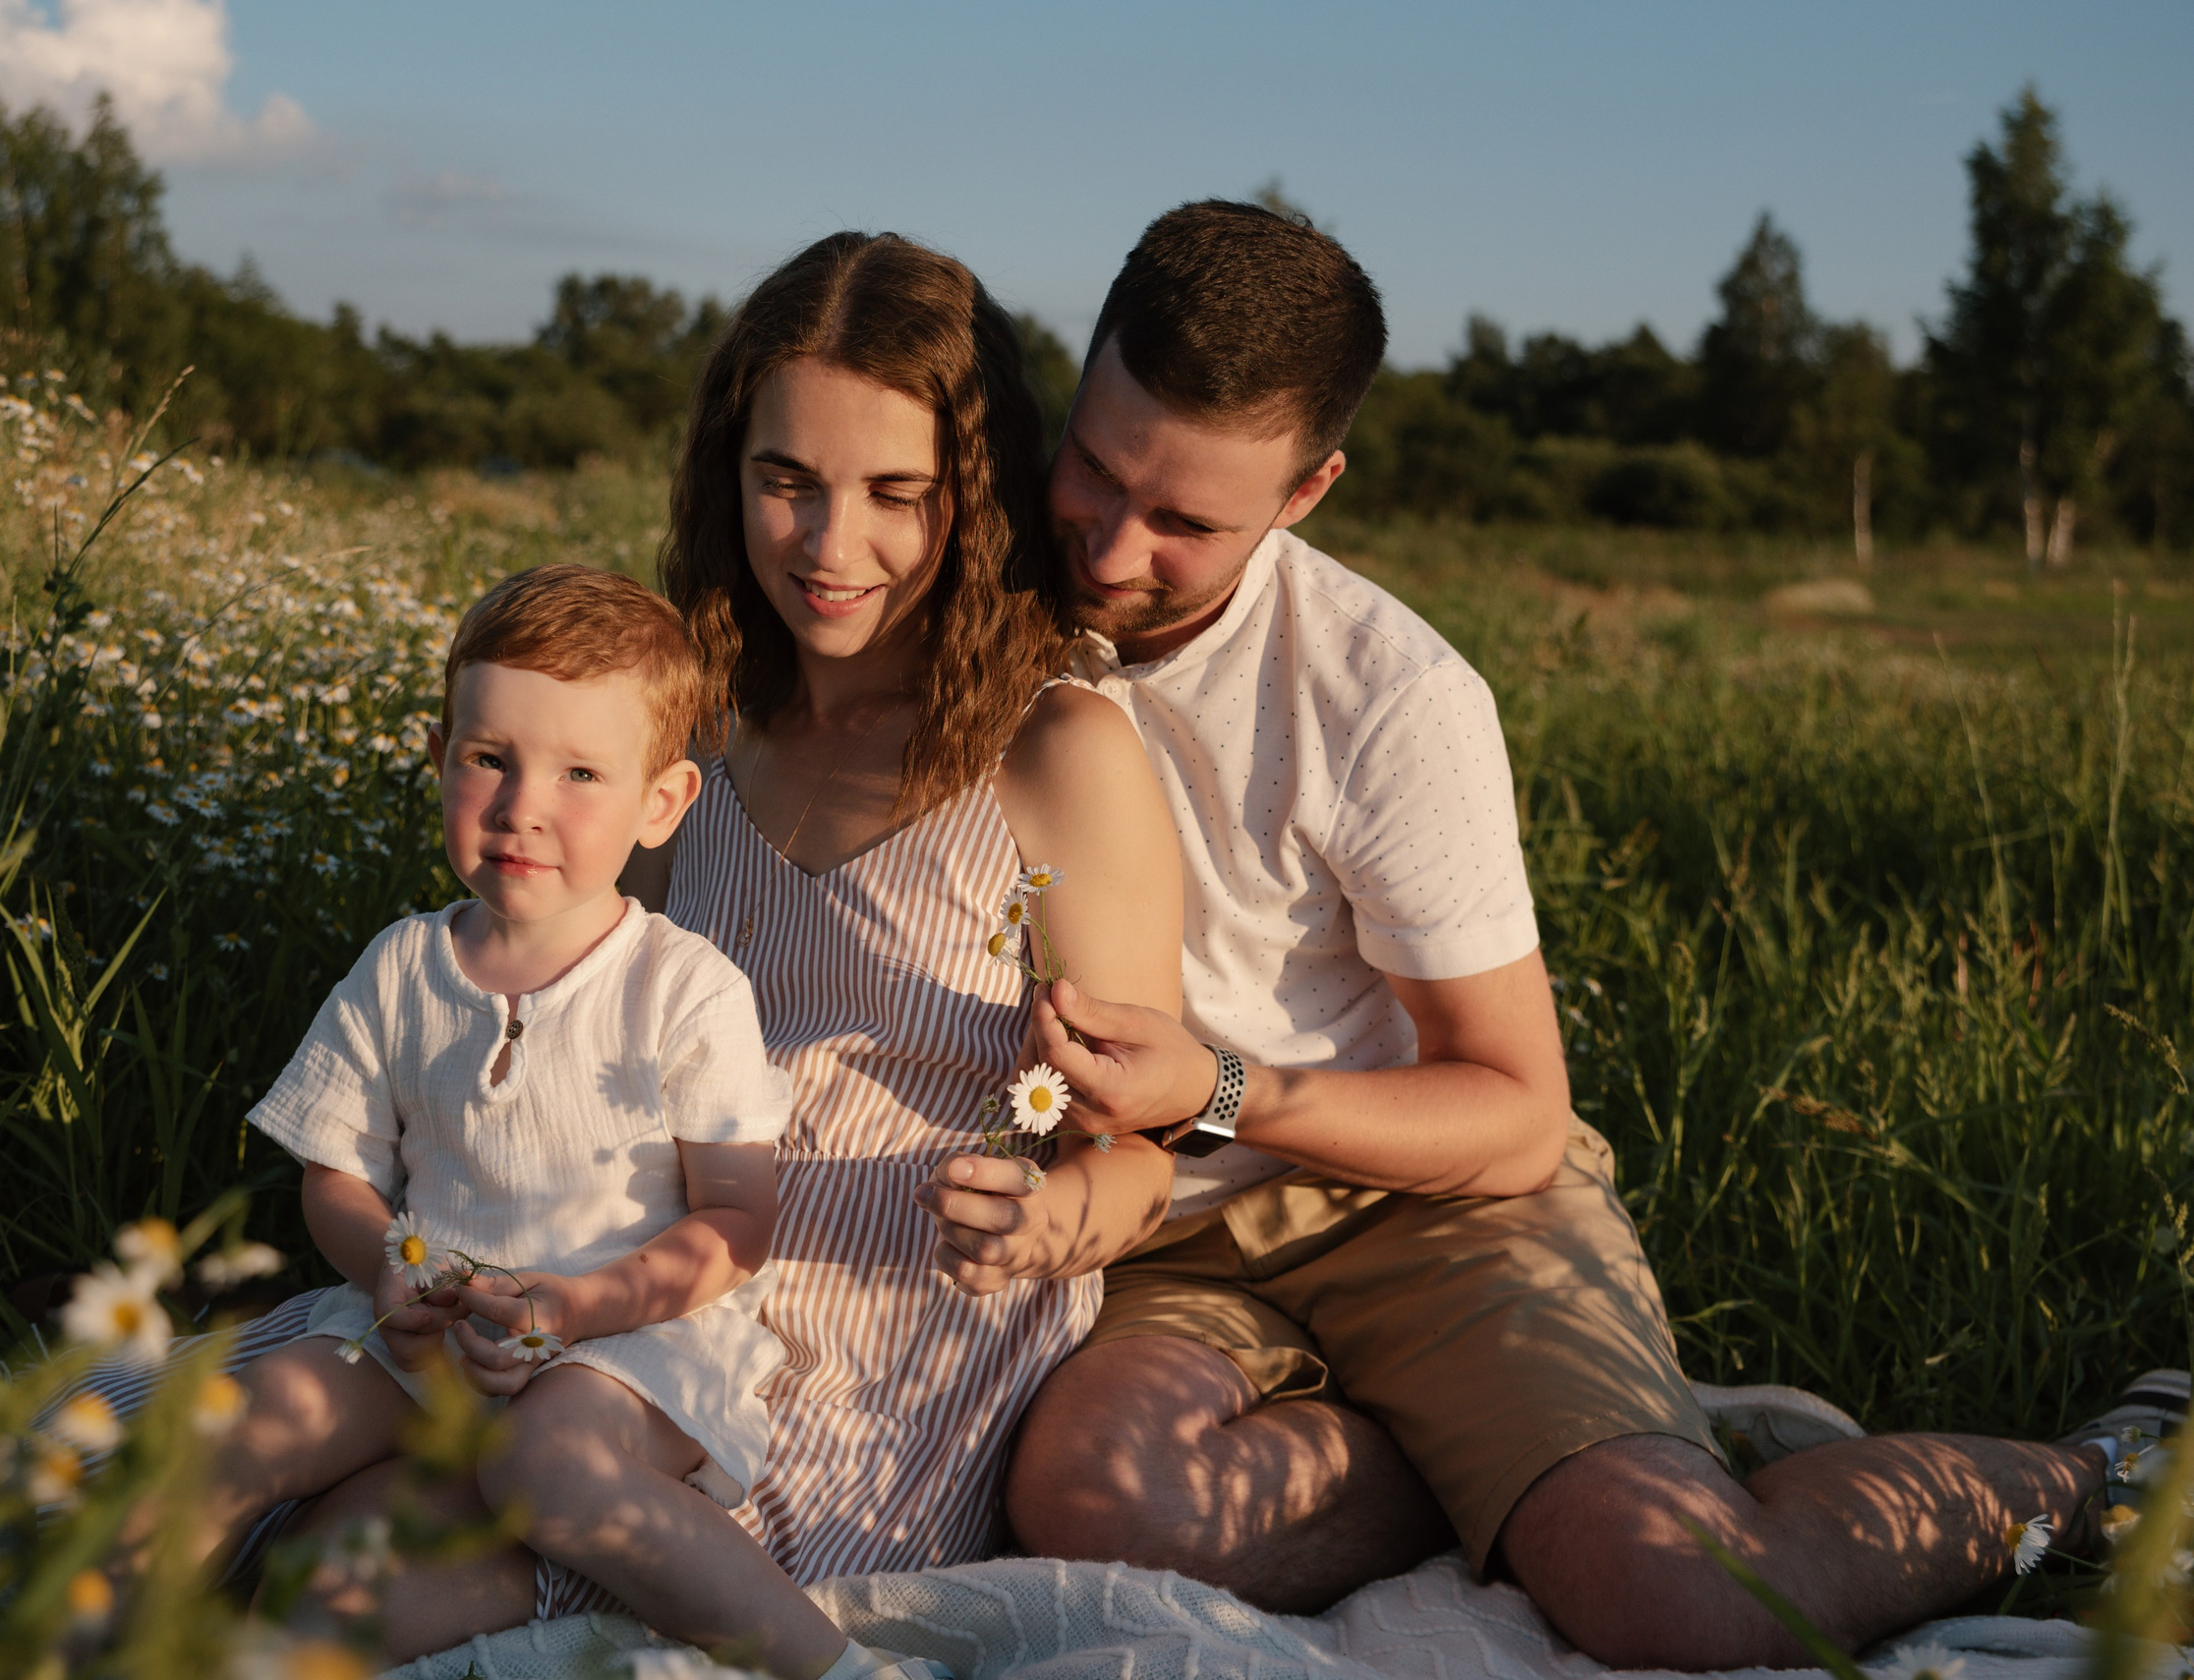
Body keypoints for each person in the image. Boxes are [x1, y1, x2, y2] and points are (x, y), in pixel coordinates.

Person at [920, 200, 2120, 1669]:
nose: (1111, 543)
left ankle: (2105, 1476)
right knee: (1096, 1498)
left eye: (1188, 523)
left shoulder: (1389, 696)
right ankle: (1554, 1456)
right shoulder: (967, 600)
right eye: (1097, 470)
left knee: (1682, 1598)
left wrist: (1218, 1090)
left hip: (1423, 1204)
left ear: (1309, 493)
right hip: (1156, 1235)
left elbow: (1512, 1111)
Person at [270, 231, 1184, 1651]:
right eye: (786, 481)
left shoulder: (1056, 751)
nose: (830, 546)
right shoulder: (702, 721)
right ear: (726, 472)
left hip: (877, 1330)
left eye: (897, 492)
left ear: (979, 495)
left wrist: (1067, 1216)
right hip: (626, 1279)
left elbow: (1135, 1136)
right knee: (303, 1550)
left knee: (371, 1601)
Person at [189, 565, 930, 1680]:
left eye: (581, 772)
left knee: (552, 1463)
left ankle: (842, 1668)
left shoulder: (683, 986)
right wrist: (387, 1264)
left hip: (631, 1346)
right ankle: (103, 1632)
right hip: (429, 1326)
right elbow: (336, 1176)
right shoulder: (403, 967)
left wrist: (579, 1305)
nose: (522, 805)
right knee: (253, 1412)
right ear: (441, 755)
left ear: (662, 802)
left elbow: (736, 1220)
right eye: (489, 757)